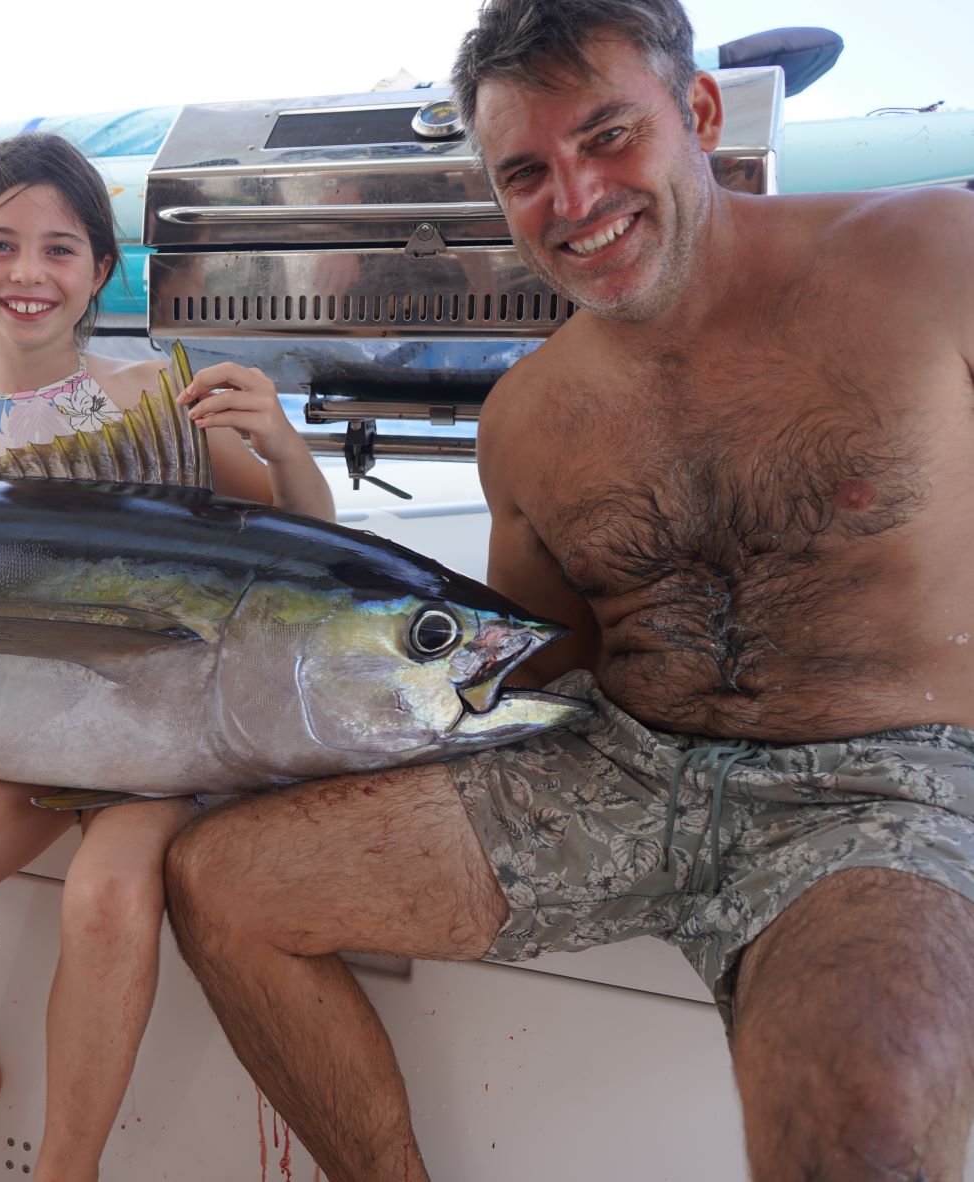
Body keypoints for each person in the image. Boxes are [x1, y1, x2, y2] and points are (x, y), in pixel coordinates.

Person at [163, 2, 974, 1179]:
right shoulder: (525, 419)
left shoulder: (933, 256)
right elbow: (534, 667)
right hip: (617, 771)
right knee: (221, 883)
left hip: (881, 786)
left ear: (700, 112)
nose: (576, 199)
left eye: (608, 137)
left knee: (863, 1125)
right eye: (527, 172)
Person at [0, 132, 335, 1182]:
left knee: (109, 898)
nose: (27, 272)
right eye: (0, 244)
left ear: (100, 270)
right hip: (8, 730)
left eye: (60, 248)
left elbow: (302, 554)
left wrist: (284, 444)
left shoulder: (162, 398)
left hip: (156, 733)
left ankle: (67, 1168)